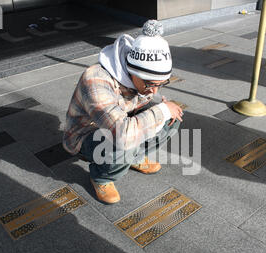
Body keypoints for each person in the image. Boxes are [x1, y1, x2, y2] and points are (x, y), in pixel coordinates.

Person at [62, 20, 183, 204]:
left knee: (172, 118)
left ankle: (134, 157)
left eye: (161, 84)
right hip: (86, 135)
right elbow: (122, 133)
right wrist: (161, 111)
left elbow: (147, 100)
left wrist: (165, 108)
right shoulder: (95, 80)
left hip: (120, 122)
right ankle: (101, 177)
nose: (154, 91)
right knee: (125, 141)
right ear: (131, 72)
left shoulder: (140, 79)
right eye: (150, 84)